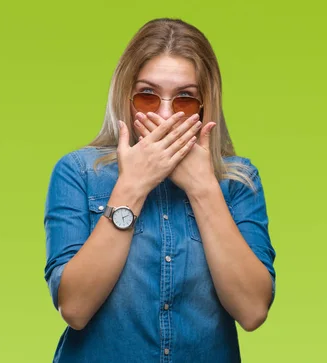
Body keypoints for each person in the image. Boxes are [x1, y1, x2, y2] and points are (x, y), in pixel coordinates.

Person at [43, 18, 276, 362]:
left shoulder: (238, 181)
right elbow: (74, 308)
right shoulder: (78, 172)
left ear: (204, 104)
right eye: (148, 96)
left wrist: (203, 189)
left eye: (184, 98)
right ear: (126, 97)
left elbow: (253, 310)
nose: (166, 116)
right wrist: (132, 187)